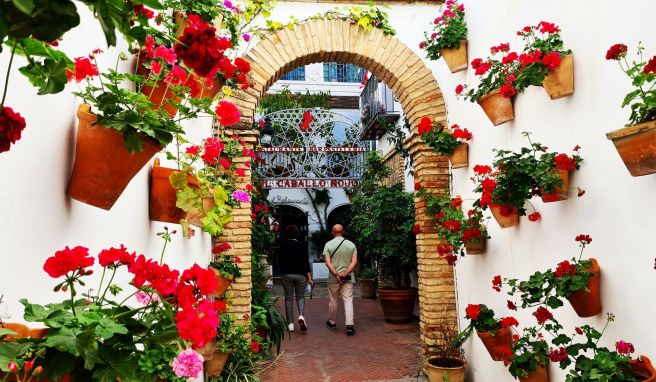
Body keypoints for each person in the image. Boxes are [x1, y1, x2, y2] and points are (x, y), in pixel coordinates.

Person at [323, 224, 358, 335]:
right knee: (348, 300)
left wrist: (336, 274)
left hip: (333, 278)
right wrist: (346, 273)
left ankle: (332, 322)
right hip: (348, 277)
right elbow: (354, 262)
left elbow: (327, 262)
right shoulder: (351, 245)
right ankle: (349, 325)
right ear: (343, 232)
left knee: (333, 300)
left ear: (333, 232)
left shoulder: (328, 245)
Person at [279, 224, 313, 332]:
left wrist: (283, 271)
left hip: (287, 275)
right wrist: (309, 277)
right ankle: (301, 316)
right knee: (300, 297)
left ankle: (290, 324)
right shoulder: (301, 245)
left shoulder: (283, 245)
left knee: (289, 298)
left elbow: (279, 261)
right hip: (301, 275)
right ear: (296, 234)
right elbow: (305, 261)